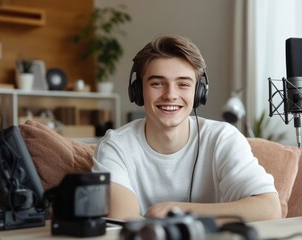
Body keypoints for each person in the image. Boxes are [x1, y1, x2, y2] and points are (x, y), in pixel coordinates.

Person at [92, 35, 282, 222]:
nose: (170, 95)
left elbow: (269, 208)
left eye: (183, 84)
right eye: (157, 84)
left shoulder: (222, 138)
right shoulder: (116, 145)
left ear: (199, 92)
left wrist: (180, 211)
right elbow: (124, 220)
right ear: (138, 90)